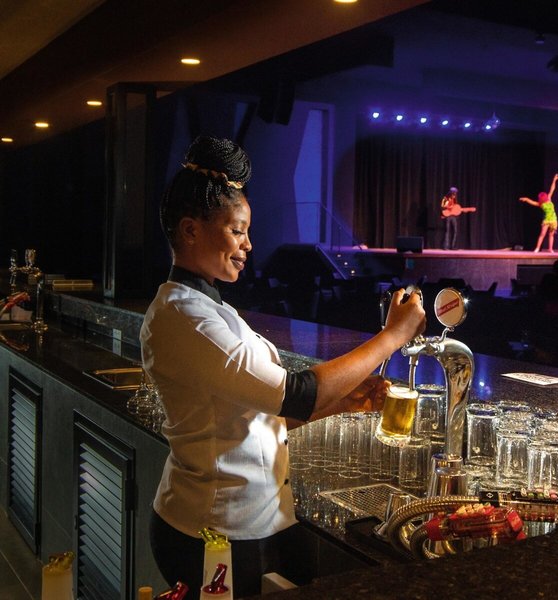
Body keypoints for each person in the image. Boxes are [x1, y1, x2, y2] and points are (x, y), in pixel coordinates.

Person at [140, 136, 425, 599]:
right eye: (237, 231)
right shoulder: (186, 318)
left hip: (247, 522)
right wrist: (393, 336)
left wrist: (340, 404)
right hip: (213, 531)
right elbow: (293, 393)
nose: (249, 244)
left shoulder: (209, 308)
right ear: (190, 231)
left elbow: (249, 413)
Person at [519, 173, 558, 252]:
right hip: (546, 220)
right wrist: (526, 199)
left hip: (554, 219)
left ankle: (550, 249)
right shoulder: (541, 204)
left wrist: (554, 180)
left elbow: (552, 189)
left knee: (551, 235)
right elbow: (532, 202)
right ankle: (537, 248)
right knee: (542, 234)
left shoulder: (549, 198)